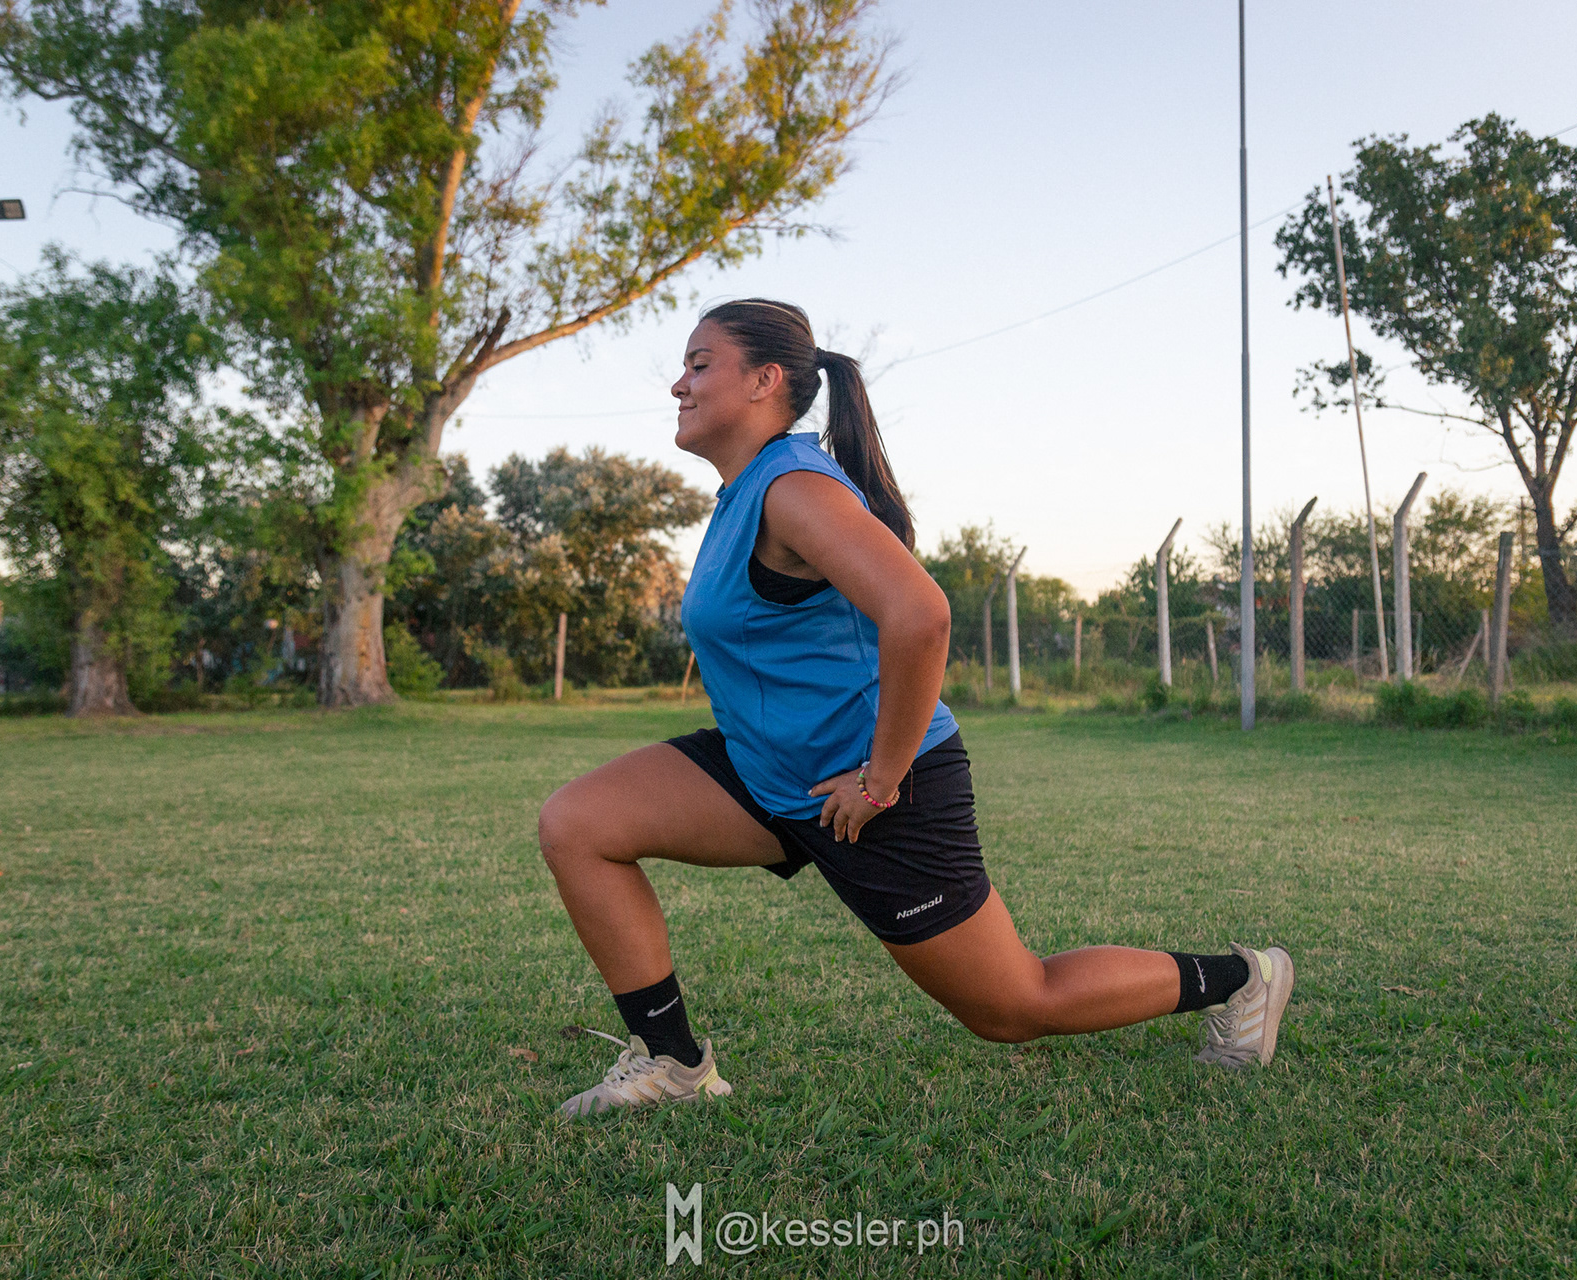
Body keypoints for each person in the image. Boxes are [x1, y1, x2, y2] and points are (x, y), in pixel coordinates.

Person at [539, 298, 1293, 1118]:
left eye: (699, 364)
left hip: (871, 790)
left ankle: (1243, 979)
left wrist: (881, 778)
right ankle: (674, 1063)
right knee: (580, 823)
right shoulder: (743, 493)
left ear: (766, 380)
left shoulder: (793, 487)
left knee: (1012, 1007)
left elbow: (921, 614)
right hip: (768, 777)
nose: (678, 384)